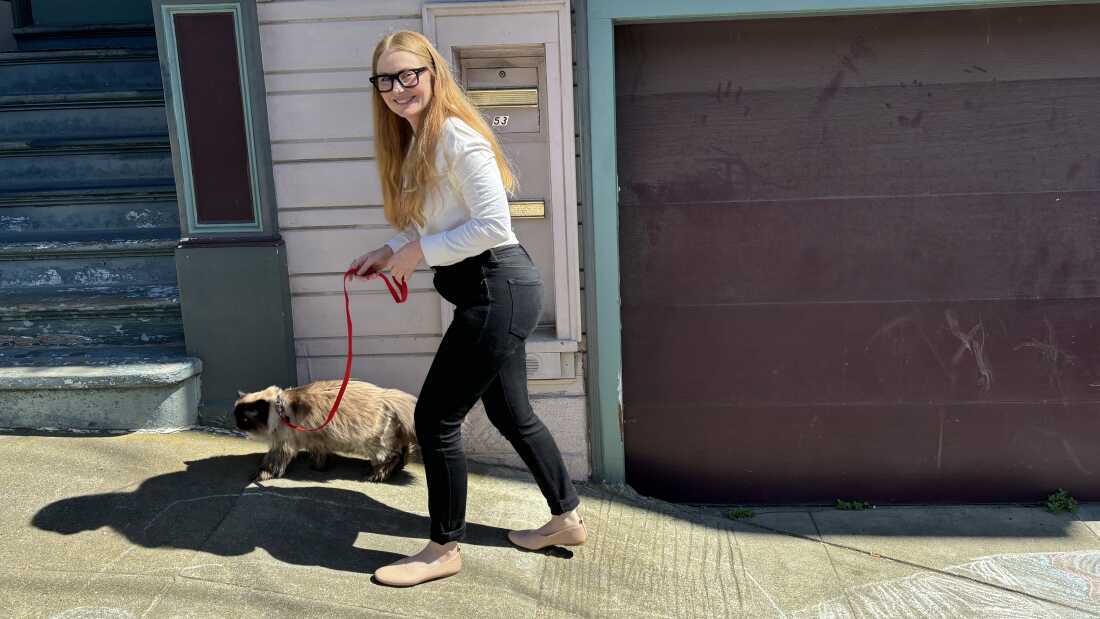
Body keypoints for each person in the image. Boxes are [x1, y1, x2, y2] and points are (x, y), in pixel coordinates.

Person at [350, 30, 587, 588]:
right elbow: (435, 220)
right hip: (487, 291)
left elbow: (491, 227)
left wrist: (417, 253)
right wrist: (390, 250)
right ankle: (566, 518)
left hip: (495, 288)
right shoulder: (417, 142)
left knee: (435, 417)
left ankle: (443, 548)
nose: (398, 88)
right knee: (510, 414)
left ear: (433, 74)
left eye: (410, 74)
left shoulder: (456, 136)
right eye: (386, 79)